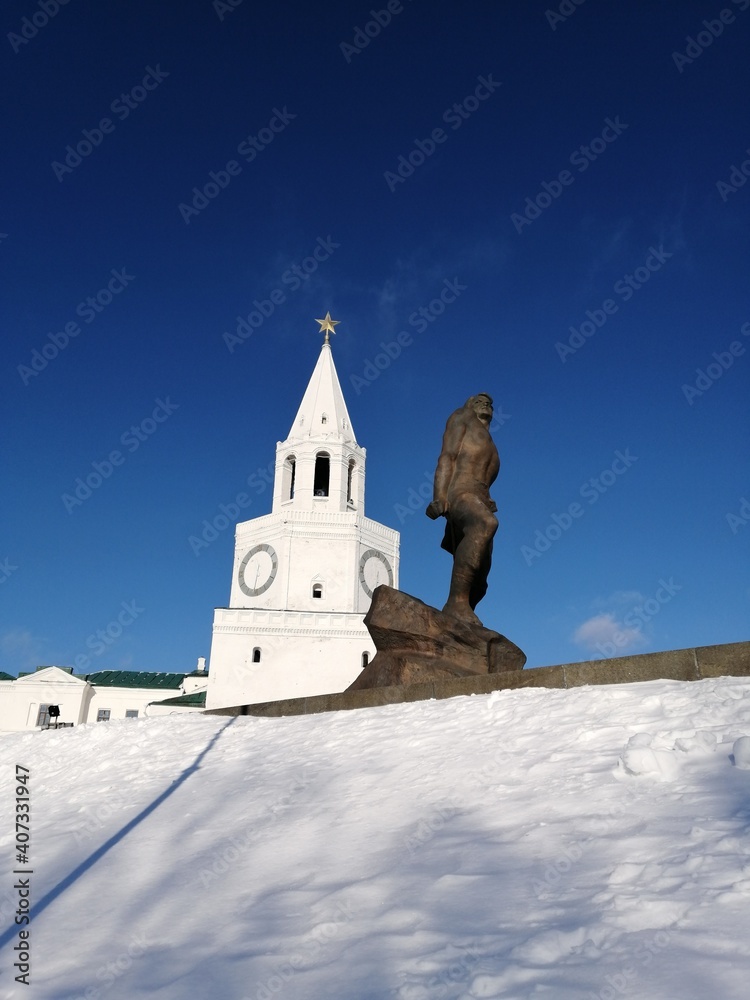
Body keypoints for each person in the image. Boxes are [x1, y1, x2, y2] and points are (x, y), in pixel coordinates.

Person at [426, 393, 499, 625]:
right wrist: (439, 495)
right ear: (469, 405)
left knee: (481, 579)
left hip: (480, 498)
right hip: (460, 492)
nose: (486, 403)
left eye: (489, 403)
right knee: (485, 524)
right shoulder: (462, 417)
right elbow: (447, 456)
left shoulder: (488, 440)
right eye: (479, 401)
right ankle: (456, 603)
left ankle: (461, 620)